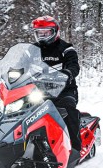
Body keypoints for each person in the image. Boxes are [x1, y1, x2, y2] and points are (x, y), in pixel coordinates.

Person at [31, 15, 82, 154]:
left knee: (67, 111)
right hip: (38, 91)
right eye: (39, 33)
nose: (42, 36)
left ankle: (76, 147)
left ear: (55, 32)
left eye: (46, 32)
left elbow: (74, 65)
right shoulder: (31, 50)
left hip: (64, 91)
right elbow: (20, 66)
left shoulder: (66, 49)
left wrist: (68, 73)